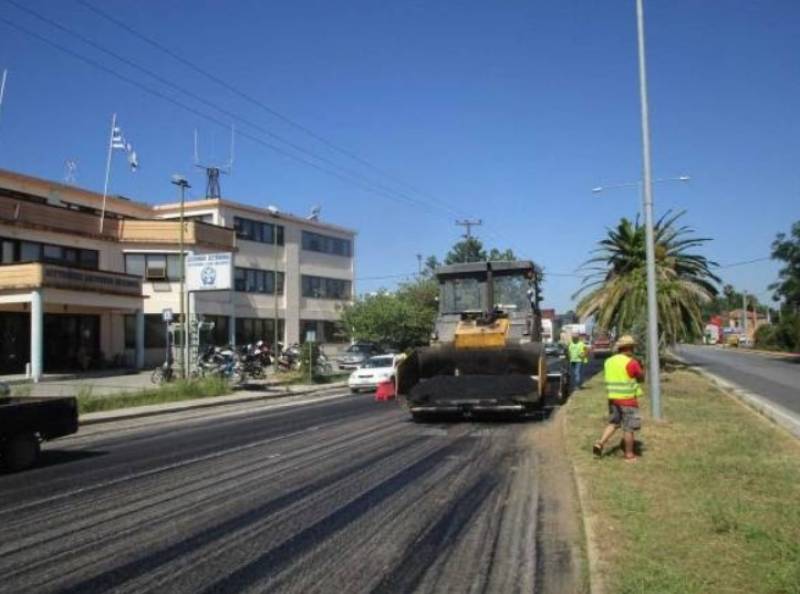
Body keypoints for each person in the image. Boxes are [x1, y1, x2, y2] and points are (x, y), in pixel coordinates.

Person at [593, 335, 644, 462]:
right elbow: (641, 378)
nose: (633, 350)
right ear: (628, 348)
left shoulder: (609, 361)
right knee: (629, 428)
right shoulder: (631, 362)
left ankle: (600, 443)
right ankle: (629, 455)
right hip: (627, 399)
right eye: (632, 348)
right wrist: (641, 367)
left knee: (614, 423)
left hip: (613, 398)